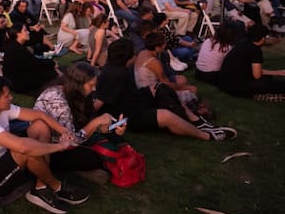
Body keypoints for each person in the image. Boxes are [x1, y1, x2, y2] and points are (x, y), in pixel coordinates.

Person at [0, 75, 89, 214]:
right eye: (6, 96)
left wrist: (63, 130)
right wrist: (60, 146)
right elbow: (23, 147)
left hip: (3, 160)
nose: (11, 97)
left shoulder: (0, 109)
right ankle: (56, 186)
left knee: (40, 126)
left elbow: (38, 115)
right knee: (24, 150)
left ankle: (41, 188)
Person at [96, 38, 236, 141]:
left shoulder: (117, 68)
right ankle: (206, 135)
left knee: (159, 87)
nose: (135, 55)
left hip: (134, 101)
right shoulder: (115, 75)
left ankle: (196, 120)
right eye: (133, 53)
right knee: (166, 116)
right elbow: (99, 103)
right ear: (127, 57)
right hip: (129, 115)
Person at [218, 24, 285, 100]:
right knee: (276, 84)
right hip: (236, 88)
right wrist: (278, 72)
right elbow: (257, 75)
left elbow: (253, 71)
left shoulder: (243, 43)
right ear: (262, 38)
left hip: (224, 83)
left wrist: (279, 72)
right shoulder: (255, 51)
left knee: (268, 77)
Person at [2, 25, 58, 95]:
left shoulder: (15, 45)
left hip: (17, 78)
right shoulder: (17, 49)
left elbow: (32, 61)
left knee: (48, 70)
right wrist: (52, 63)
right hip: (18, 83)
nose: (28, 32)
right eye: (25, 30)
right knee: (51, 72)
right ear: (18, 34)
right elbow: (34, 64)